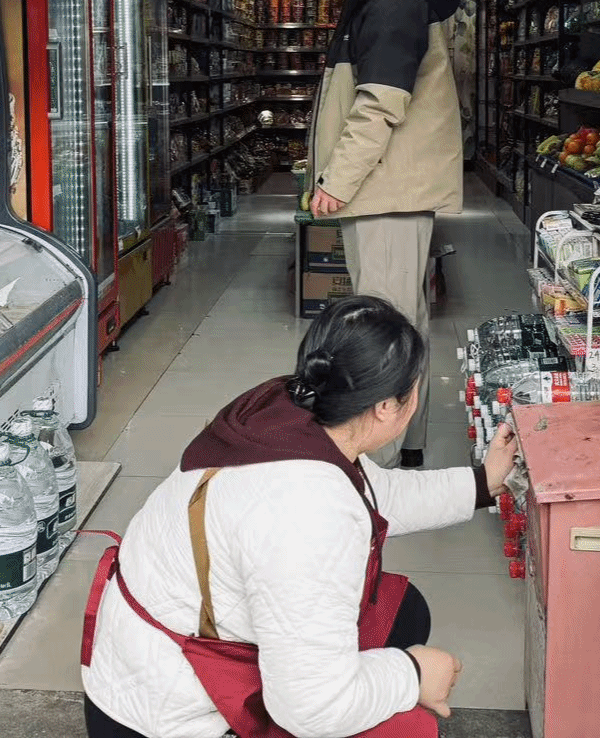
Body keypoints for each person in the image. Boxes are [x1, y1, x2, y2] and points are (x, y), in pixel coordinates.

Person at [81, 296, 519, 738]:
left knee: (403, 612)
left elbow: (377, 493)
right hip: (168, 715)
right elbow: (310, 709)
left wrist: (483, 483)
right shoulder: (307, 513)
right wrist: (413, 673)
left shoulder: (294, 411)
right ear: (387, 406)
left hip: (150, 657)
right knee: (410, 730)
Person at [309, 0, 463, 469]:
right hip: (389, 189)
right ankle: (407, 445)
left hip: (385, 191)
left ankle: (380, 464)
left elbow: (379, 103)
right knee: (403, 321)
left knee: (384, 329)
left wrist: (337, 180)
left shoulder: (393, 0)